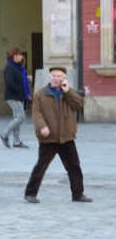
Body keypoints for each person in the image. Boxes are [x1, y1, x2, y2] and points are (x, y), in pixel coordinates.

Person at [24, 66, 92, 203]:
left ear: (64, 78)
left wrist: (68, 91)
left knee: (74, 166)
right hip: (49, 138)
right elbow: (36, 113)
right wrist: (42, 126)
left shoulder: (68, 93)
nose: (56, 78)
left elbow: (78, 105)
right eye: (54, 76)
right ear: (50, 77)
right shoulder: (40, 94)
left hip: (66, 136)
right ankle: (30, 193)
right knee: (41, 166)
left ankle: (78, 194)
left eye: (59, 76)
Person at [0, 47, 31, 149]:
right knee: (21, 117)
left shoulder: (19, 67)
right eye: (19, 55)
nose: (21, 57)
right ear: (14, 56)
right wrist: (22, 90)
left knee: (17, 118)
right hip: (12, 96)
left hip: (18, 96)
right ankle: (4, 135)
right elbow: (10, 82)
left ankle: (16, 141)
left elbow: (19, 80)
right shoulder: (9, 67)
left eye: (21, 55)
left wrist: (26, 80)